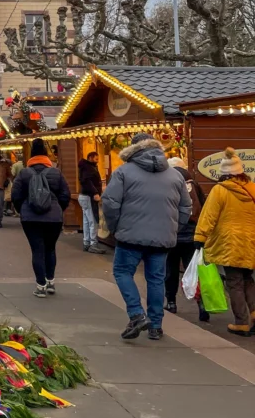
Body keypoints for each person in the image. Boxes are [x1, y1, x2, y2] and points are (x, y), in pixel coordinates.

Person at [101, 133, 191, 341]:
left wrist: (116, 227)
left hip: (130, 236)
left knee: (123, 272)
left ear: (133, 149)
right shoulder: (175, 175)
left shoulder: (123, 172)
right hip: (162, 237)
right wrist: (174, 228)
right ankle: (156, 325)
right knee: (156, 279)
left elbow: (110, 203)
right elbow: (186, 207)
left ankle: (136, 314)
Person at [193, 148, 255, 335]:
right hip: (251, 241)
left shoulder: (220, 191)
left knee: (234, 282)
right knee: (248, 279)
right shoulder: (252, 189)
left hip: (230, 242)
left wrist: (200, 237)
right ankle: (254, 313)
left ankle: (242, 322)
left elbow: (208, 216)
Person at [12, 138, 71, 297]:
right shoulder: (56, 172)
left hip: (30, 218)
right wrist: (58, 208)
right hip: (53, 218)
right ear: (46, 154)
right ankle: (51, 281)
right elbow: (65, 195)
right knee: (50, 248)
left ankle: (40, 285)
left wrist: (22, 210)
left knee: (37, 250)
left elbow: (15, 195)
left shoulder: (24, 173)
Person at [165, 157, 209, 321]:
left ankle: (171, 302)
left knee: (171, 270)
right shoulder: (194, 185)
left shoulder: (168, 184)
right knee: (195, 271)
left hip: (173, 233)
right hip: (192, 234)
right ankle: (202, 304)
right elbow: (204, 207)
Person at [78, 151, 106, 254]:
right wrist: (95, 192)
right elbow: (87, 181)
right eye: (96, 159)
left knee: (86, 220)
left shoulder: (85, 167)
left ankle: (86, 242)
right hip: (89, 197)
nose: (97, 161)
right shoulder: (89, 168)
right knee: (93, 220)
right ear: (90, 158)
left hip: (84, 196)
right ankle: (93, 244)